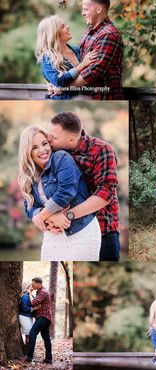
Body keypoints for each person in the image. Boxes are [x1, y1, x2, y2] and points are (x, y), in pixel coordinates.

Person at [18, 125, 101, 261]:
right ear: (27, 152)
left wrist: (41, 217)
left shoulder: (61, 158)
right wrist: (52, 217)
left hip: (81, 231)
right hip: (53, 235)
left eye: (45, 144)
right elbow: (29, 208)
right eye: (35, 147)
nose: (43, 150)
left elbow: (66, 192)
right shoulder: (30, 176)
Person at [45, 112, 120, 261]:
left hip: (102, 230)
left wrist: (67, 216)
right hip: (62, 233)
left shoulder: (101, 150)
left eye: (53, 137)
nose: (48, 140)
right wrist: (46, 218)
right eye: (48, 134)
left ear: (71, 139)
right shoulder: (51, 153)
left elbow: (105, 194)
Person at [69, 0, 124, 100]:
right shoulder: (89, 32)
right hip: (86, 96)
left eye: (85, 9)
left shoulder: (108, 34)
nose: (82, 13)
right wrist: (55, 80)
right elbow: (78, 60)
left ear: (98, 9)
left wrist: (65, 86)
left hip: (104, 97)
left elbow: (94, 71)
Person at [35, 14, 98, 99]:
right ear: (54, 34)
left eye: (65, 25)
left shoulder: (78, 50)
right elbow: (59, 81)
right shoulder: (47, 58)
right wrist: (82, 65)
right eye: (62, 27)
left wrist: (64, 87)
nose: (68, 27)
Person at [24, 277, 52, 364]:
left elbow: (33, 303)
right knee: (46, 338)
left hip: (43, 317)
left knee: (32, 333)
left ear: (39, 283)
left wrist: (29, 293)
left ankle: (29, 356)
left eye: (33, 284)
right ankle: (48, 359)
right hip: (45, 318)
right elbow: (35, 302)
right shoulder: (39, 292)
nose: (32, 285)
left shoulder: (43, 292)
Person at [19, 283, 35, 350]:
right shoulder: (25, 296)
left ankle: (28, 352)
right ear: (27, 287)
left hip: (29, 317)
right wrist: (34, 309)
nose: (33, 286)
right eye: (31, 285)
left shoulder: (30, 296)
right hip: (24, 317)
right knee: (28, 335)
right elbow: (24, 308)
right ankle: (27, 353)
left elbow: (34, 302)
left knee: (29, 335)